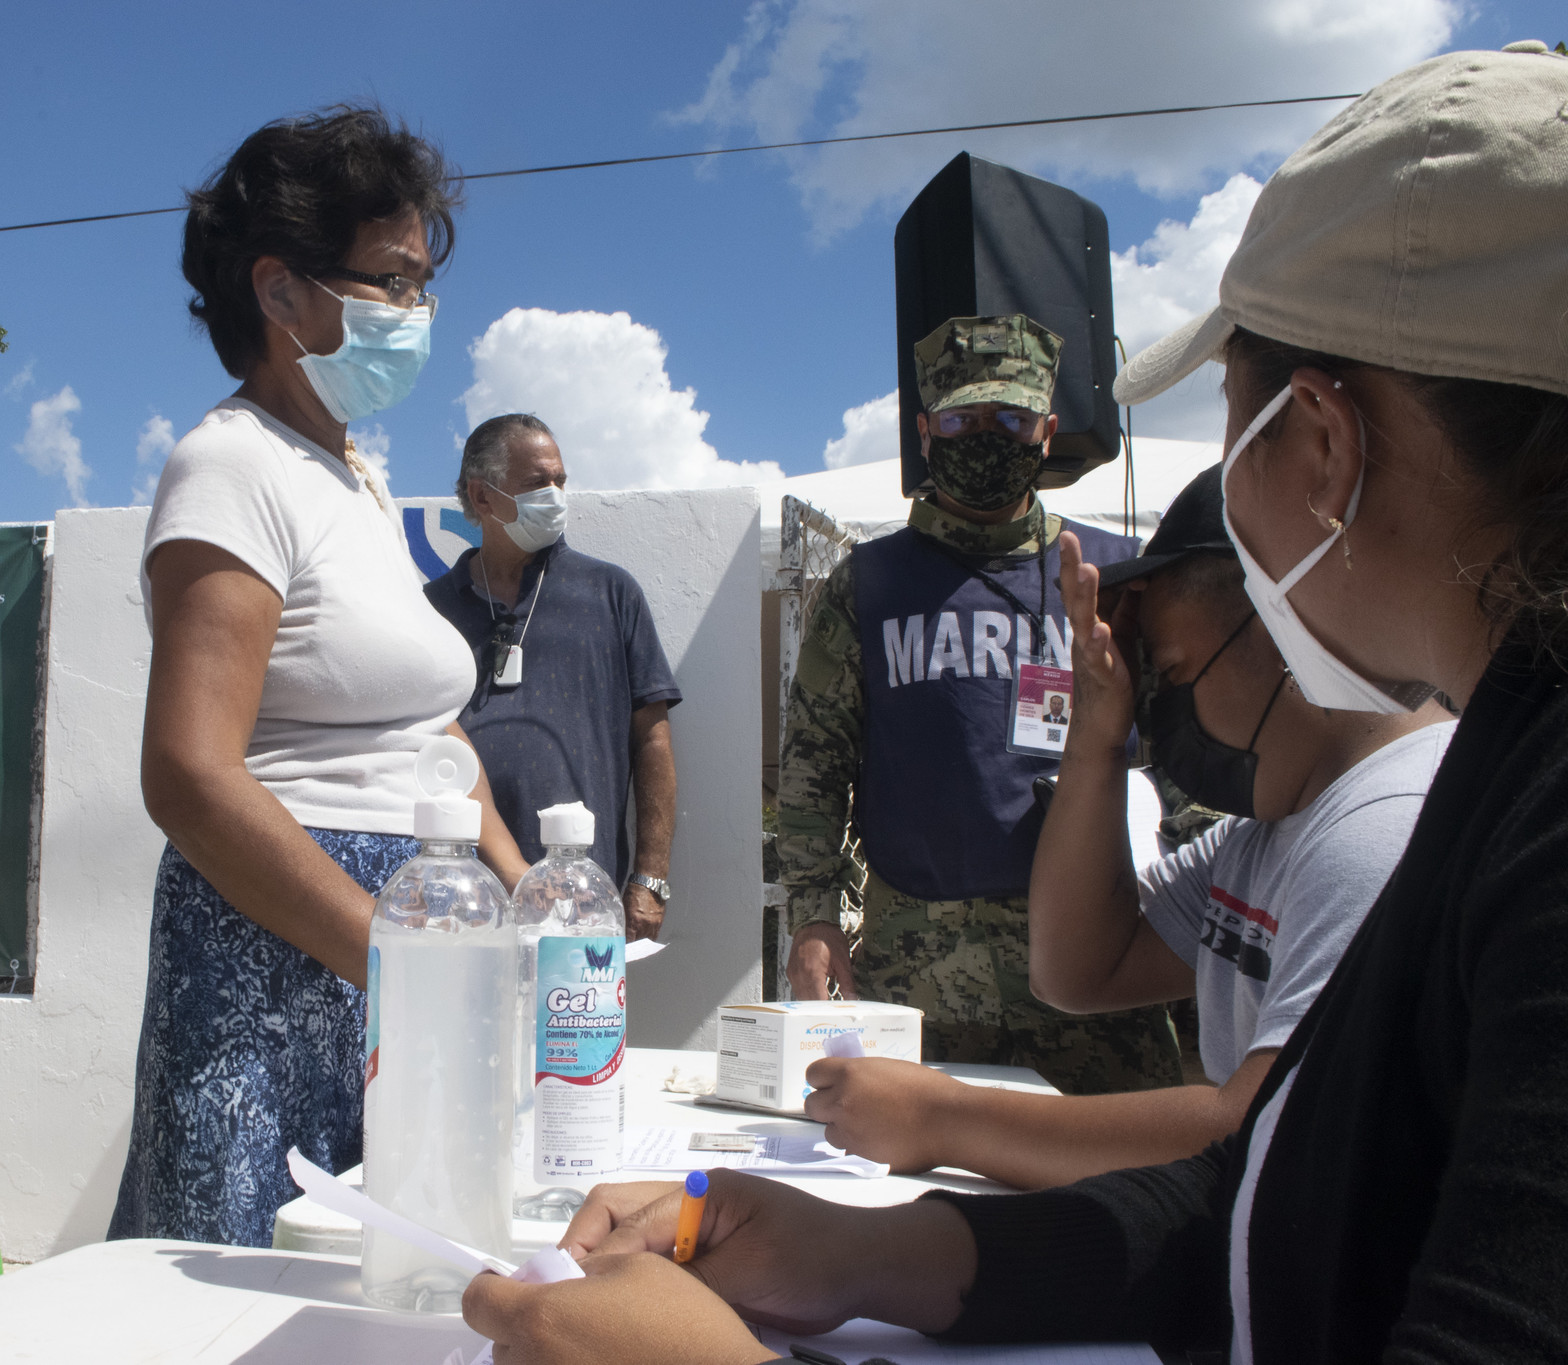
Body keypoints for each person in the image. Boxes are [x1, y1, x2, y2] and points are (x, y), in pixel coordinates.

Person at [459, 45, 1568, 1364]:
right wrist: (883, 1249)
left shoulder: (1475, 827)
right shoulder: (1485, 781)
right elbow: (1277, 1192)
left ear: (1320, 441)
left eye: (1234, 424)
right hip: (925, 960)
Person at [109, 107, 527, 1249]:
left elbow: (430, 737)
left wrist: (530, 905)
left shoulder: (353, 481)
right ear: (281, 292)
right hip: (278, 952)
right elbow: (191, 775)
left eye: (423, 285)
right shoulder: (230, 466)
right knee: (264, 1292)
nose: (417, 313)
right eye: (392, 281)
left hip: (398, 940)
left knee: (401, 1280)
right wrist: (393, 958)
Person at [802, 466, 1453, 1189]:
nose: (1161, 709)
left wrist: (943, 1117)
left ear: (1285, 621)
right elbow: (1076, 970)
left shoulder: (1388, 830)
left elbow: (1271, 1127)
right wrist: (1096, 736)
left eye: (1168, 671)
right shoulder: (1255, 845)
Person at [779, 312, 1179, 1095]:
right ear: (926, 432)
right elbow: (813, 768)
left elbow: (1183, 756)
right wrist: (813, 912)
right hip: (919, 969)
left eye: (1012, 419)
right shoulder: (867, 585)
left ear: (1048, 431)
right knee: (914, 1192)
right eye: (963, 419)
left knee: (1111, 1190)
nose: (986, 436)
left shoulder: (1114, 576)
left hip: (1097, 964)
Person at [423, 413, 681, 938]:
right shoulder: (431, 610)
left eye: (561, 481)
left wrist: (649, 880)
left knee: (575, 1023)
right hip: (455, 896)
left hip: (581, 898)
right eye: (539, 483)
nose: (557, 495)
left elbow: (653, 742)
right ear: (482, 497)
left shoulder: (610, 593)